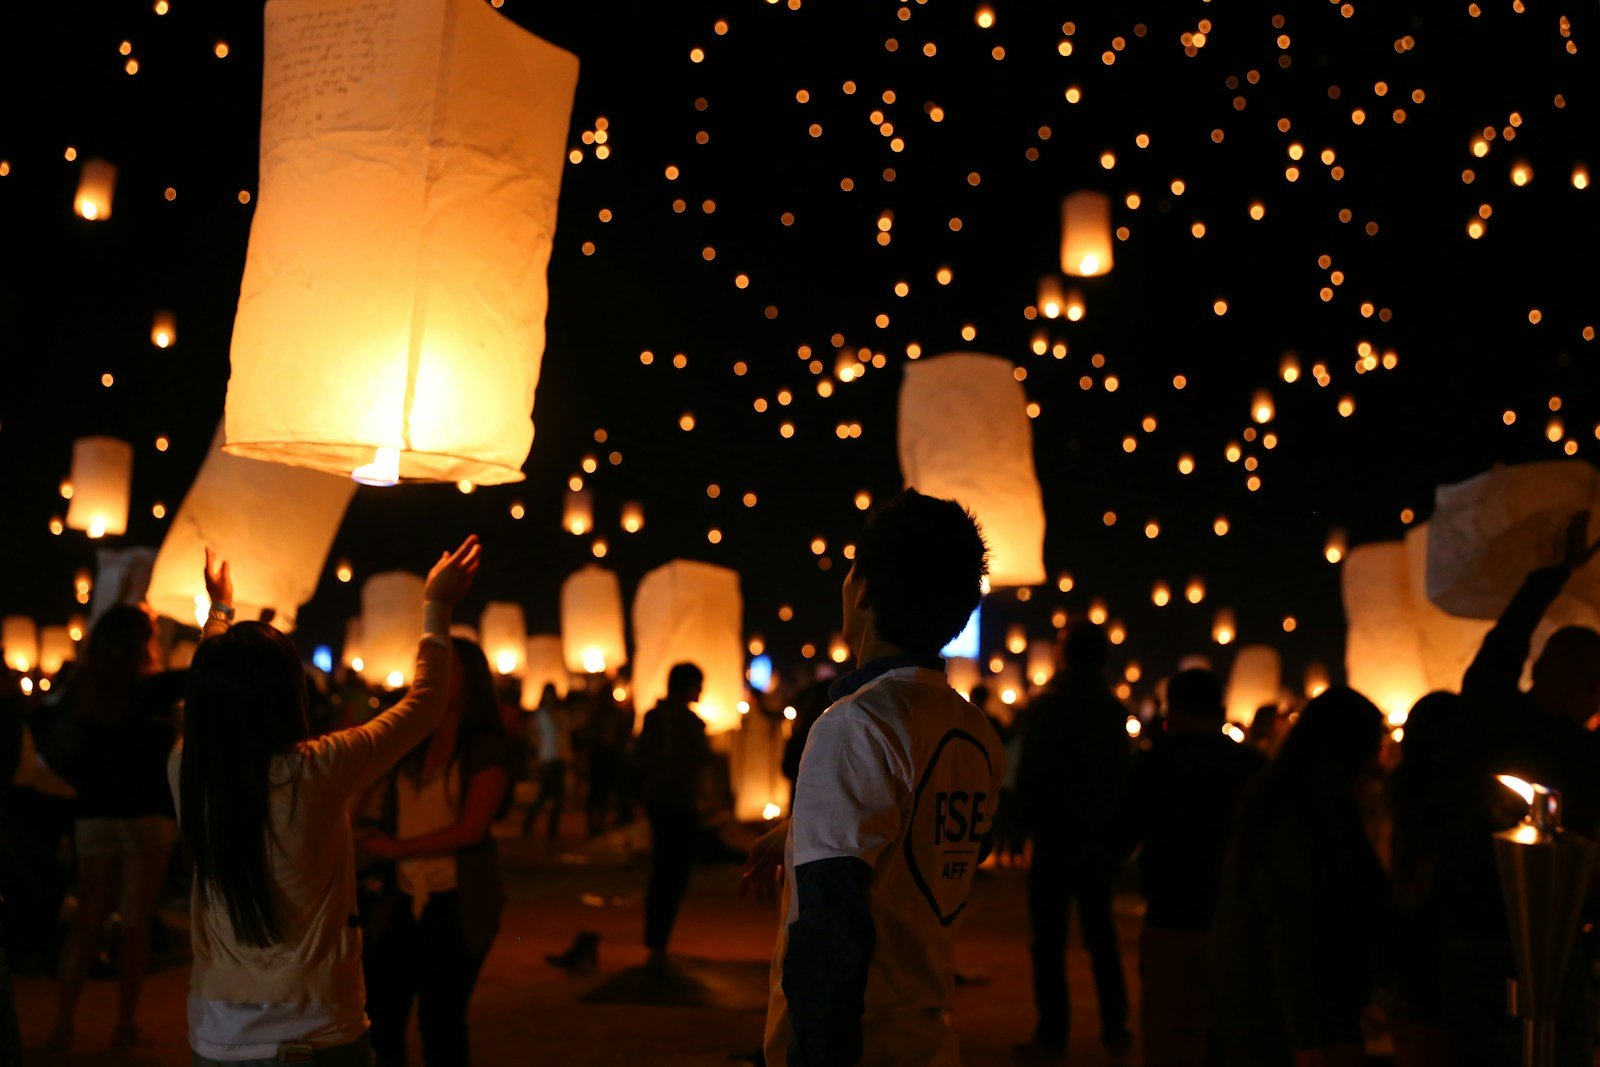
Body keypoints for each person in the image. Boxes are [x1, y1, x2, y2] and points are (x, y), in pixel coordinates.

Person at [174, 535, 481, 1066]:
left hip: (218, 1031)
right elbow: (426, 704)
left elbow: (212, 695)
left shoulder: (187, 768)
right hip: (317, 1027)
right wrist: (437, 607)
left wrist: (219, 616)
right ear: (289, 694)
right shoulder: (317, 769)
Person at [749, 488, 1003, 1066]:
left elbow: (830, 927)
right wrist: (800, 829)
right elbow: (930, 840)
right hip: (928, 1036)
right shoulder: (973, 731)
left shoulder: (853, 725)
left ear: (861, 590)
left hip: (860, 1044)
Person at [1439, 510, 1600, 1065]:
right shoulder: (1502, 721)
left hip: (1505, 938)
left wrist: (1554, 573)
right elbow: (1505, 641)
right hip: (1495, 941)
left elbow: (1504, 642)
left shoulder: (1497, 716)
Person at [1209, 686, 1389, 1066]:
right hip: (1283, 1021)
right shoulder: (1293, 816)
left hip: (1307, 1013)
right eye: (1371, 746)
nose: (1378, 759)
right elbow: (1287, 931)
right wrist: (1306, 1039)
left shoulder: (1323, 806)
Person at [361, 636, 518, 1067]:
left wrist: (396, 849)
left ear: (469, 683)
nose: (430, 681)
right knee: (381, 1015)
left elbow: (470, 829)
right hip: (402, 895)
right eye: (425, 671)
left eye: (445, 672)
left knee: (441, 1018)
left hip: (458, 899)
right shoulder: (411, 742)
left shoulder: (486, 747)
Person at [47, 604, 186, 1053]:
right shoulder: (156, 689)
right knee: (135, 924)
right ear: (142, 642)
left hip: (92, 815)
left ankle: (64, 1027)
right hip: (147, 817)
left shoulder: (82, 691)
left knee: (86, 920)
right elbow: (208, 669)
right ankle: (124, 1026)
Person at [1125, 668, 1266, 1067]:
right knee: (1230, 1034)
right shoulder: (1251, 766)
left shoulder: (1154, 764)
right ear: (1221, 709)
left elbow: (1123, 834)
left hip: (1169, 916)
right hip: (1235, 919)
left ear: (1172, 710)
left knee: (1171, 1036)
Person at [1013, 618, 1133, 1061]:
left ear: (1065, 655)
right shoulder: (1110, 708)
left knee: (1048, 940)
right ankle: (1115, 1027)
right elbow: (1122, 777)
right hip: (1096, 836)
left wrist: (1022, 824)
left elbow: (1032, 771)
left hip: (1055, 835)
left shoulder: (1051, 705)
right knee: (1101, 933)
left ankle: (1052, 1032)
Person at [632, 662, 713, 968]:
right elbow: (702, 762)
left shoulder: (654, 718)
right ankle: (658, 942)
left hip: (659, 802)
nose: (702, 691)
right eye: (699, 684)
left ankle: (656, 940)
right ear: (688, 686)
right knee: (674, 873)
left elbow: (641, 756)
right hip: (679, 804)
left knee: (662, 871)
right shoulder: (691, 724)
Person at [522, 683, 571, 840]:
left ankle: (552, 830)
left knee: (558, 797)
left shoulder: (561, 714)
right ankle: (529, 823)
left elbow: (566, 736)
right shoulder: (541, 715)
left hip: (560, 758)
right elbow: (534, 736)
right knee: (544, 795)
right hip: (547, 758)